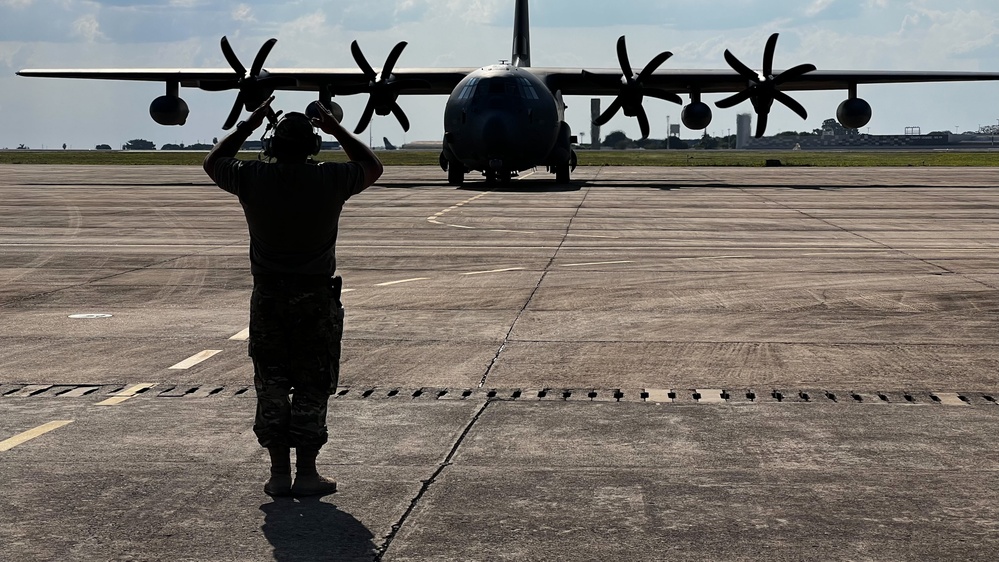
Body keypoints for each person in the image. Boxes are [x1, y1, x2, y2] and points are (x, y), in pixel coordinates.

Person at [204, 96, 383, 497]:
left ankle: (278, 474)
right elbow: (373, 166)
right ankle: (307, 474)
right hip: (316, 299)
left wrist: (249, 125)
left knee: (271, 382)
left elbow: (213, 162)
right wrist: (336, 128)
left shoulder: (252, 178)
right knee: (312, 383)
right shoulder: (330, 180)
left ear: (270, 147)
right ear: (313, 147)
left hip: (268, 296)